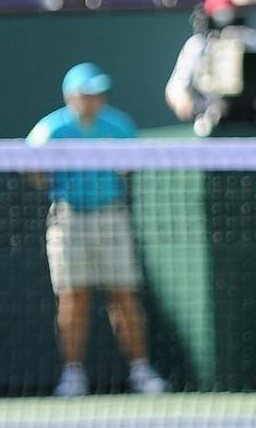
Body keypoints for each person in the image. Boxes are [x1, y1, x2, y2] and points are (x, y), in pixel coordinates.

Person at [26, 63, 168, 399]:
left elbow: (131, 165)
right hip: (69, 218)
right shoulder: (51, 129)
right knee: (73, 296)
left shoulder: (118, 125)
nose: (94, 99)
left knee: (123, 294)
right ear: (71, 96)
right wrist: (50, 177)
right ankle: (73, 374)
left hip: (111, 217)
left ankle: (141, 370)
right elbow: (29, 166)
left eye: (98, 93)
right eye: (87, 93)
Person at [165, 0, 256, 136]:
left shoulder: (252, 40)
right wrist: (188, 104)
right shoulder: (198, 45)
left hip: (250, 124)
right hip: (209, 123)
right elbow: (175, 89)